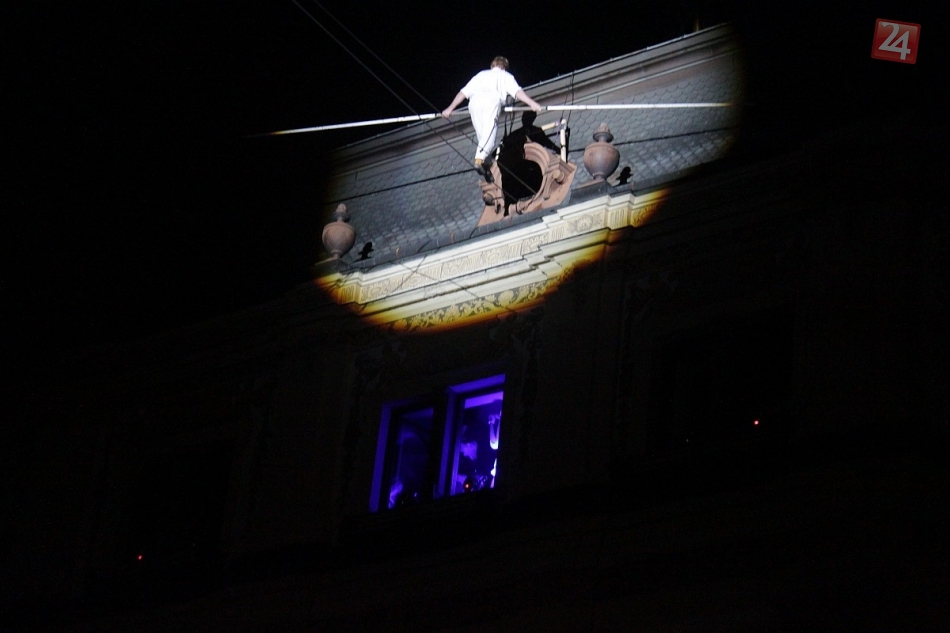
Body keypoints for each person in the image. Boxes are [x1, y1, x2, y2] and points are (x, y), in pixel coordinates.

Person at [442, 56, 543, 176]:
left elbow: (463, 93)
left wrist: (450, 108)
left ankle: (487, 162)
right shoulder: (505, 75)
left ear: (492, 66)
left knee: (483, 137)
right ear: (504, 67)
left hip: (474, 104)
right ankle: (480, 160)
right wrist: (531, 103)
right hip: (490, 102)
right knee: (490, 134)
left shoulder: (480, 75)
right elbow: (517, 92)